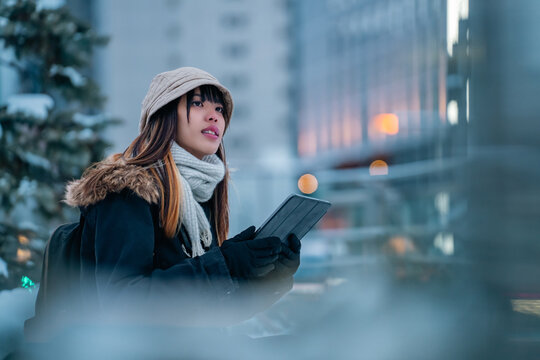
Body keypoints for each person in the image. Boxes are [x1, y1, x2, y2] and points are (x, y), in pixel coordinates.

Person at [27, 67, 301, 340]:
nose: (214, 116)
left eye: (219, 109)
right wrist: (226, 264)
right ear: (165, 115)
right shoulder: (128, 192)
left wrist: (268, 276)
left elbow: (209, 311)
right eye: (197, 104)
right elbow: (124, 301)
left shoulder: (198, 197)